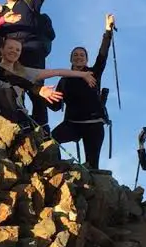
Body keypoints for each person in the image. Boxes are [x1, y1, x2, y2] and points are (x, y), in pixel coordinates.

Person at [0, 0, 83, 127]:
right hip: (11, 58)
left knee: (39, 95)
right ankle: (19, 126)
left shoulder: (29, 2)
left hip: (32, 55)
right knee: (12, 91)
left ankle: (42, 133)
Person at [49, 14, 115, 169]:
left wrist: (108, 31)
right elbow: (56, 106)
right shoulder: (64, 80)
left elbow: (103, 55)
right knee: (51, 140)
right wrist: (45, 95)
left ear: (86, 59)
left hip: (94, 125)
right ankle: (56, 168)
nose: (79, 57)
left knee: (92, 166)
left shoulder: (94, 73)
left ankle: (91, 189)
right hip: (72, 124)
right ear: (71, 59)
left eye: (82, 55)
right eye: (75, 55)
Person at [0, 36, 95, 129]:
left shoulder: (23, 71)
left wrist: (83, 74)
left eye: (18, 50)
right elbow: (10, 78)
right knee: (7, 92)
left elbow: (57, 72)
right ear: (1, 50)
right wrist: (38, 90)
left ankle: (42, 129)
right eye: (10, 48)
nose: (14, 51)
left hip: (19, 116)